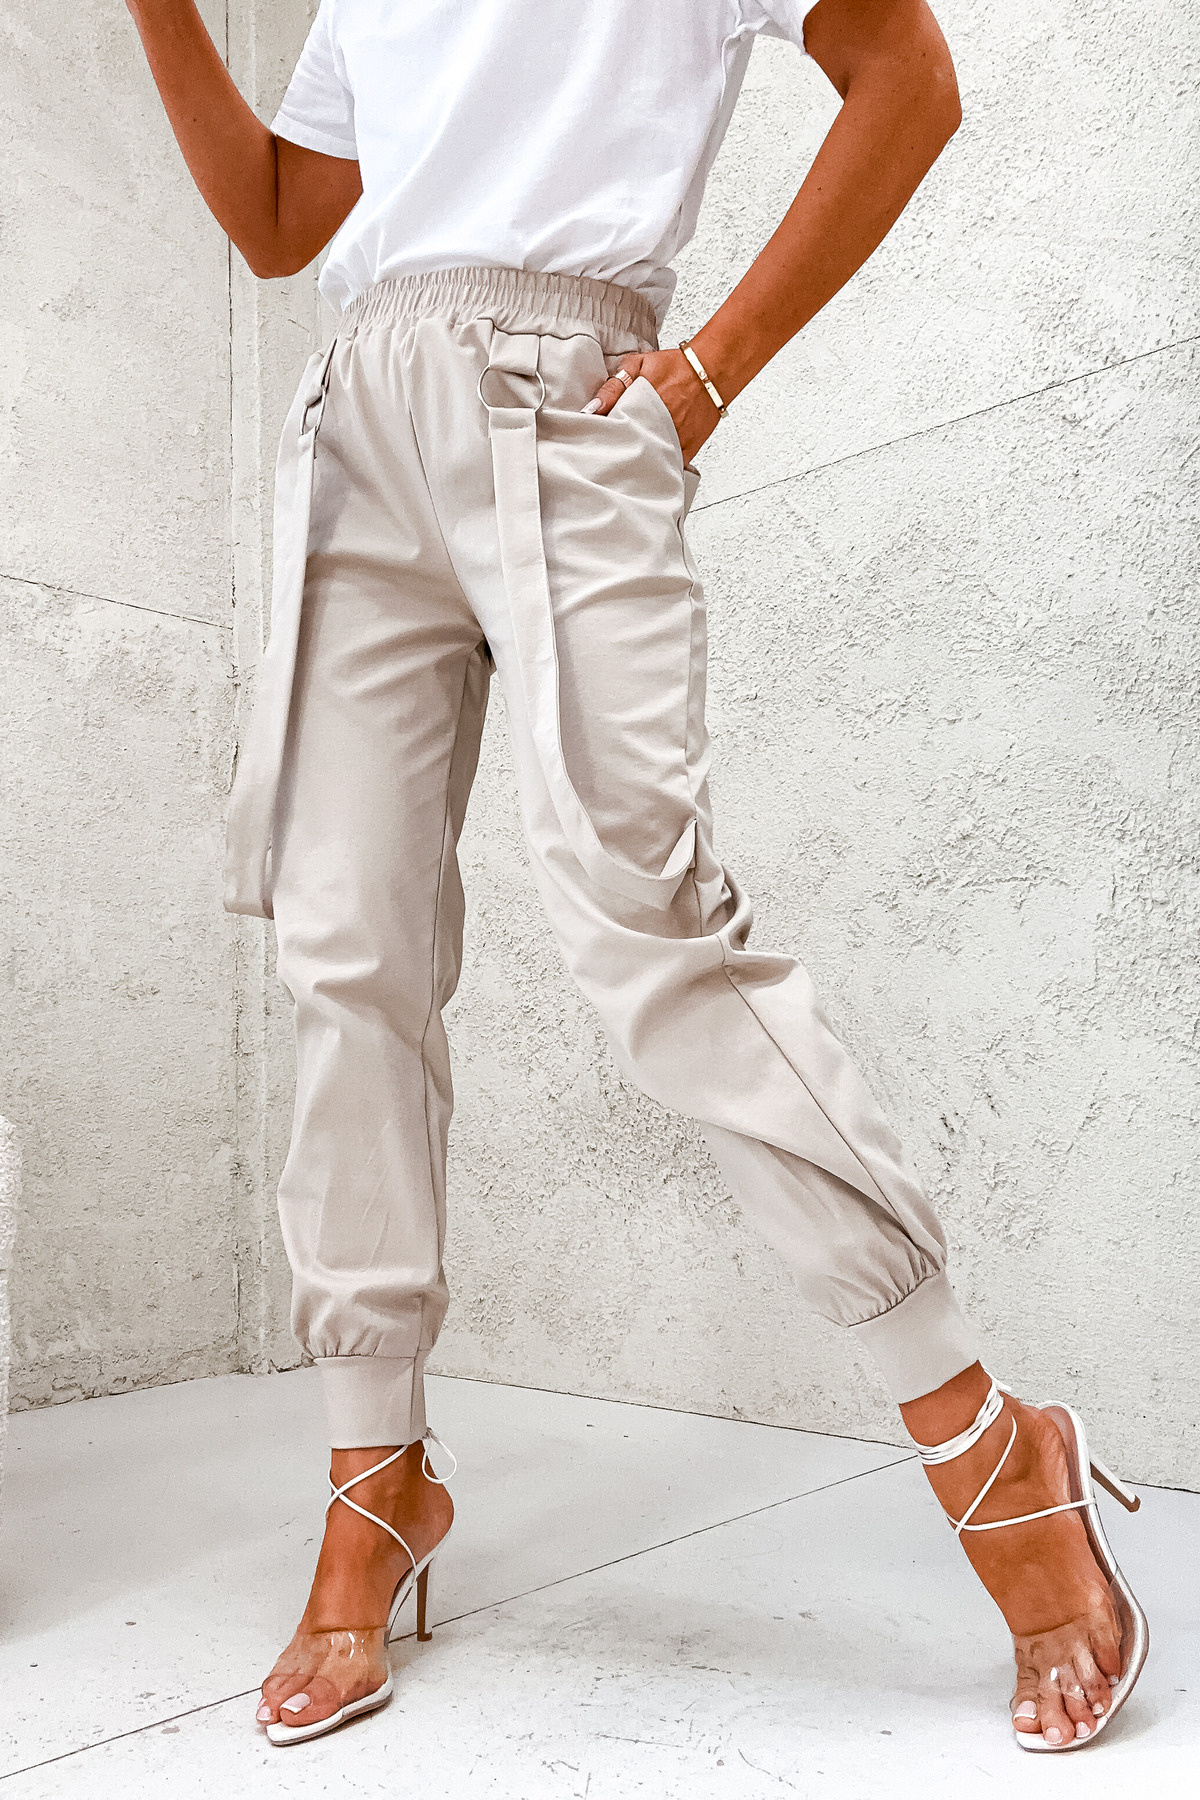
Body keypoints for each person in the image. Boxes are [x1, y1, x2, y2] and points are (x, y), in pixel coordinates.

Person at [124, 0, 1147, 1754]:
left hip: (568, 396)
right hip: (359, 422)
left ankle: (984, 1434)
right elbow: (287, 219)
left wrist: (706, 373)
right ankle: (375, 1480)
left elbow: (906, 78)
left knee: (653, 930)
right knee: (347, 955)